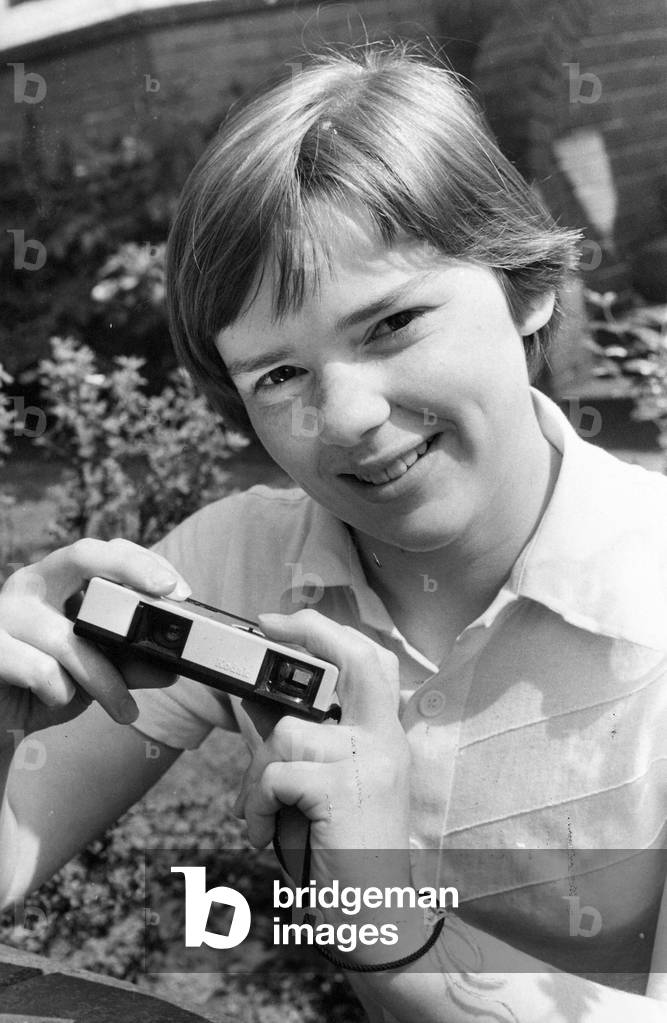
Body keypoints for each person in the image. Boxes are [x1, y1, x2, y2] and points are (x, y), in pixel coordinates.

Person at [1, 44, 666, 1023]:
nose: (346, 416)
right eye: (277, 374)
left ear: (525, 285)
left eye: (392, 322)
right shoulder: (236, 564)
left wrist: (389, 924)